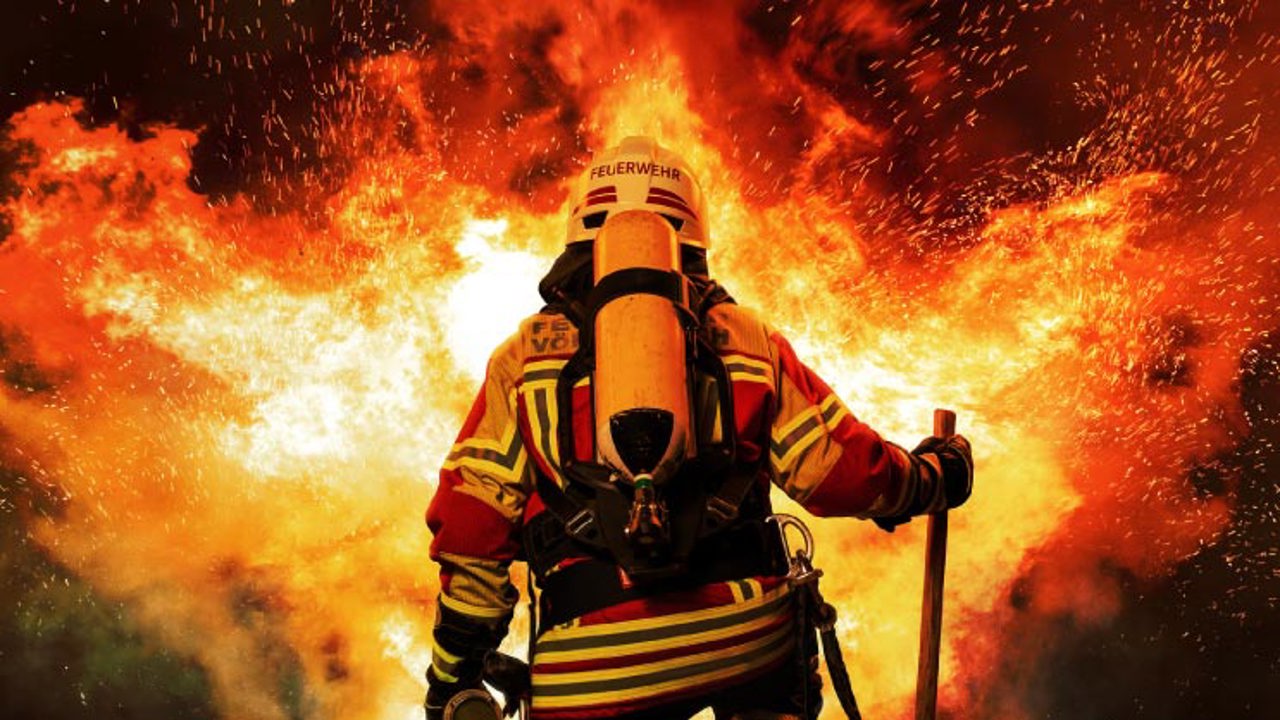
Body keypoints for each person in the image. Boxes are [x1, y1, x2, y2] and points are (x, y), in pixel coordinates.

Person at [424, 136, 973, 720]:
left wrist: (452, 680)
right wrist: (933, 476)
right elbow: (837, 472)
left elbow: (471, 528)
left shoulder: (525, 358)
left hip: (590, 663)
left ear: (578, 228)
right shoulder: (743, 337)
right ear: (693, 231)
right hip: (746, 635)